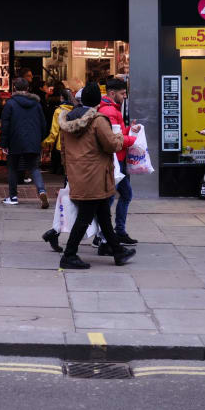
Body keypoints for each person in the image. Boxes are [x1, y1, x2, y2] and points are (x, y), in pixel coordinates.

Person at [57, 82, 136, 269]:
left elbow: (63, 149)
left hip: (78, 172)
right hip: (95, 174)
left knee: (102, 214)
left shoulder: (67, 118)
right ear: (97, 101)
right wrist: (119, 137)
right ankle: (69, 255)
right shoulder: (98, 120)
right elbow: (111, 145)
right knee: (85, 216)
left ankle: (117, 251)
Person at [98, 78, 139, 242]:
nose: (124, 97)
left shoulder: (113, 109)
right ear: (112, 93)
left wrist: (130, 129)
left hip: (118, 160)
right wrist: (134, 140)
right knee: (114, 198)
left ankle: (115, 232)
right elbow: (115, 139)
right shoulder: (109, 111)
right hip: (114, 161)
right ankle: (106, 235)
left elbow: (119, 133)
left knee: (121, 195)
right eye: (122, 94)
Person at [0, 78, 47, 207]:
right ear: (27, 89)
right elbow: (43, 124)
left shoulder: (10, 104)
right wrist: (40, 139)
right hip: (33, 140)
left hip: (15, 140)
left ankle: (13, 196)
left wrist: (4, 143)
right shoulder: (36, 104)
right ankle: (42, 190)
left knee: (13, 168)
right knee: (34, 167)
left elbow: (5, 125)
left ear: (14, 88)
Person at [43, 88, 76, 166]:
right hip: (73, 144)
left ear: (61, 97)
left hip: (60, 144)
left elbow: (54, 131)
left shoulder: (58, 111)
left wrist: (45, 143)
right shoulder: (75, 110)